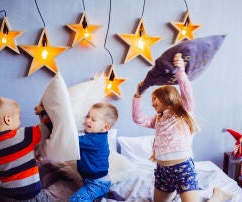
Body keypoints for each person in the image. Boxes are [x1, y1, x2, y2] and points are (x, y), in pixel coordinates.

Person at [132, 53, 200, 202]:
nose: (152, 103)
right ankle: (174, 193)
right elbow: (138, 119)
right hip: (163, 171)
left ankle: (218, 195)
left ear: (166, 96)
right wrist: (138, 95)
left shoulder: (182, 112)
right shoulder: (157, 119)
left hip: (183, 167)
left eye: (154, 99)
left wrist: (180, 72)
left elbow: (187, 93)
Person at [0, 97, 52, 201]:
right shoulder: (24, 135)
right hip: (31, 195)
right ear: (8, 119)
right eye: (18, 118)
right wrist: (41, 111)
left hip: (7, 196)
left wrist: (29, 157)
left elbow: (8, 165)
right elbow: (48, 125)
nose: (20, 121)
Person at [70, 102, 119, 202]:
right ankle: (104, 194)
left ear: (105, 127)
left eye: (93, 119)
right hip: (90, 179)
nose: (88, 120)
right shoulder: (91, 135)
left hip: (98, 182)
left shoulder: (95, 140)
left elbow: (72, 140)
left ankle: (104, 192)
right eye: (87, 116)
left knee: (76, 199)